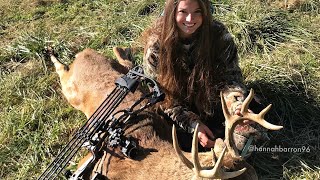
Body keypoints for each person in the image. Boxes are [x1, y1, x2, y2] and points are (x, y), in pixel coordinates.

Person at [140, 0, 268, 153]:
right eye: (183, 12)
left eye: (197, 12)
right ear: (172, 12)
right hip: (178, 109)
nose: (190, 19)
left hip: (211, 98)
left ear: (206, 12)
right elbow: (162, 99)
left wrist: (236, 105)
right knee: (177, 141)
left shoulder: (218, 35)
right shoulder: (156, 46)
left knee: (253, 123)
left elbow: (231, 79)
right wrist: (194, 125)